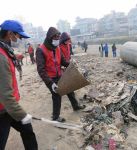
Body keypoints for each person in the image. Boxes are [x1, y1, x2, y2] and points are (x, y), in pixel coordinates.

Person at [0, 20, 38, 150]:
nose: (19, 39)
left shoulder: (5, 50)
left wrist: (15, 56)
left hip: (9, 108)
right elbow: (5, 95)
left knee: (27, 130)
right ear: (9, 33)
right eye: (18, 36)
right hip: (3, 110)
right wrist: (22, 114)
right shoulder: (1, 57)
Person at [36, 27, 85, 122]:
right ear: (49, 38)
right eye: (55, 39)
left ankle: (76, 106)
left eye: (58, 39)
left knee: (70, 89)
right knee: (57, 95)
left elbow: (63, 61)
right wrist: (50, 83)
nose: (57, 41)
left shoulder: (57, 47)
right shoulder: (41, 50)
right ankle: (55, 117)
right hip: (49, 78)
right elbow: (41, 70)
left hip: (59, 74)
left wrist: (72, 65)